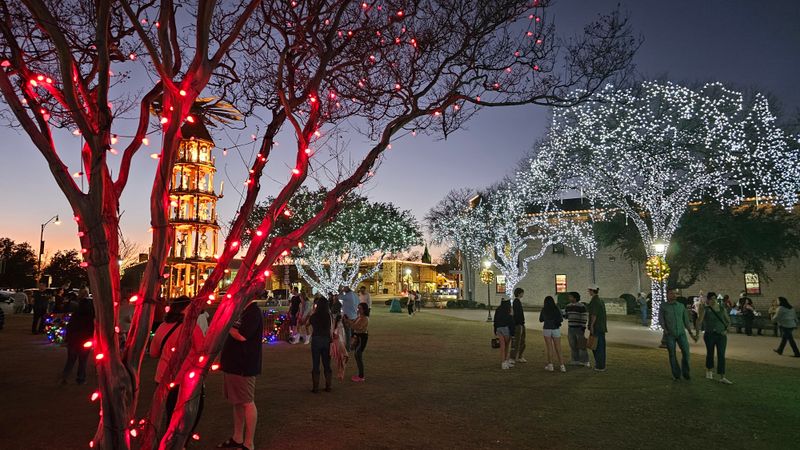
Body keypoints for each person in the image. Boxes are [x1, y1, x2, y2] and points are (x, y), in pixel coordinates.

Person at [150, 296, 205, 431]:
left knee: (169, 411)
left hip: (162, 377)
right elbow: (203, 351)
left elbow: (153, 352)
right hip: (184, 378)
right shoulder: (192, 328)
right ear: (185, 309)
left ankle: (167, 436)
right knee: (186, 414)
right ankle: (177, 439)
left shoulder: (162, 326)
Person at [218, 298, 264, 450]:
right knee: (237, 401)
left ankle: (248, 443)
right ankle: (237, 437)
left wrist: (226, 324)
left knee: (247, 402)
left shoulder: (253, 312)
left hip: (243, 365)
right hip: (233, 364)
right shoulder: (242, 312)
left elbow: (242, 336)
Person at [660, 288, 697, 381]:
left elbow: (686, 320)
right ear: (667, 295)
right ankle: (676, 374)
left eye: (674, 294)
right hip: (670, 334)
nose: (673, 295)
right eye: (671, 293)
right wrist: (665, 329)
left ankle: (686, 373)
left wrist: (690, 333)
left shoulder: (681, 306)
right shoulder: (663, 306)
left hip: (681, 334)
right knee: (672, 355)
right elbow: (661, 319)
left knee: (686, 353)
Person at [697, 291, 733, 384]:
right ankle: (709, 370)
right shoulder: (706, 309)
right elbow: (699, 320)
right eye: (711, 299)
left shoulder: (721, 309)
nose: (713, 301)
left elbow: (728, 321)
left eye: (714, 299)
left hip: (721, 335)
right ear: (708, 300)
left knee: (721, 355)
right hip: (710, 334)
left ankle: (722, 376)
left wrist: (726, 330)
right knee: (710, 353)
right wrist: (701, 310)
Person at [61, 288, 94, 384]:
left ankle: (65, 377)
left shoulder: (75, 312)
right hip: (85, 337)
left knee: (71, 359)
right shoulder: (90, 313)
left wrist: (67, 338)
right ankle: (80, 378)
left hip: (74, 338)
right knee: (83, 360)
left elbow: (70, 326)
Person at [305, 297, 333, 393]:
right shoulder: (329, 316)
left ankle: (315, 387)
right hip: (326, 340)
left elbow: (307, 324)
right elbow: (332, 328)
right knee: (327, 363)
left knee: (316, 364)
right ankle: (328, 386)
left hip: (316, 339)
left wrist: (308, 332)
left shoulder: (314, 316)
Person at [540, 296, 566, 372]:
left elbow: (541, 319)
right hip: (555, 329)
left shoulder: (544, 309)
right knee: (558, 348)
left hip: (547, 329)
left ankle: (550, 365)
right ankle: (562, 366)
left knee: (549, 348)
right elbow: (561, 319)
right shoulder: (556, 308)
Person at [564, 291, 590, 367]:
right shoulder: (568, 306)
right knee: (573, 345)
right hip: (571, 328)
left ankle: (585, 361)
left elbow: (584, 316)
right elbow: (566, 316)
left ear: (575, 298)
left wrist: (583, 327)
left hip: (579, 328)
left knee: (582, 345)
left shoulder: (581, 306)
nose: (569, 298)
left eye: (570, 296)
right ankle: (575, 360)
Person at [346, 302, 370, 382]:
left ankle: (361, 376)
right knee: (357, 355)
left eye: (360, 308)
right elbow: (353, 323)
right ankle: (360, 374)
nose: (358, 310)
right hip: (358, 338)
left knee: (358, 355)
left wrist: (349, 323)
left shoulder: (365, 318)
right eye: (358, 308)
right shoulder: (359, 317)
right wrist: (347, 320)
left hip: (362, 338)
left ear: (364, 310)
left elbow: (357, 327)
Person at [586, 285, 607, 372]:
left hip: (596, 327)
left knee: (597, 346)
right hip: (601, 326)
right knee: (600, 346)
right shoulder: (600, 300)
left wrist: (591, 325)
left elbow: (594, 314)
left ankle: (600, 365)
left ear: (592, 291)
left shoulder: (595, 301)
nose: (588, 292)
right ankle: (600, 364)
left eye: (589, 290)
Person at [493, 299, 515, 370]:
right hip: (506, 328)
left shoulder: (498, 309)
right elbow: (511, 321)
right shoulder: (509, 310)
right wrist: (513, 333)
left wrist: (495, 329)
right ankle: (506, 360)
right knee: (506, 346)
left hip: (499, 328)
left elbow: (495, 320)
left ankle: (503, 362)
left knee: (502, 347)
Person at [510, 288, 527, 364]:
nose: (523, 294)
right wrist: (519, 322)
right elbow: (517, 314)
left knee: (522, 341)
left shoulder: (517, 302)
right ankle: (513, 357)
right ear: (519, 293)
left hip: (521, 324)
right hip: (518, 324)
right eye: (522, 293)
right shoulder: (516, 302)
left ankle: (519, 356)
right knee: (516, 341)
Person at [339, 286, 358, 351]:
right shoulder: (355, 295)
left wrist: (341, 291)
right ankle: (353, 346)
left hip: (347, 317)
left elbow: (339, 297)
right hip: (354, 316)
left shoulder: (347, 295)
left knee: (348, 333)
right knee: (352, 333)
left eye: (344, 289)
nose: (343, 290)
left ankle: (348, 347)